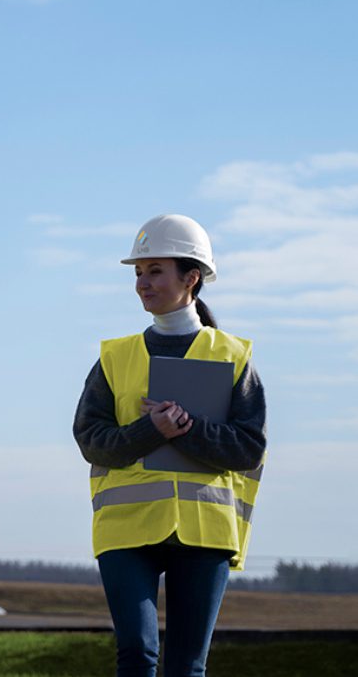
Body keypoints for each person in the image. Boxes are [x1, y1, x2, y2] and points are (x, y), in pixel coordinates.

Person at [73, 214, 266, 677]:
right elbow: (92, 441)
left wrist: (189, 428)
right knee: (136, 655)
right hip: (126, 531)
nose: (142, 283)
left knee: (186, 667)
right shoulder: (114, 357)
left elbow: (249, 447)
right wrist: (150, 431)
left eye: (155, 270)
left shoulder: (233, 357)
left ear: (191, 277)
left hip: (205, 532)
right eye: (138, 272)